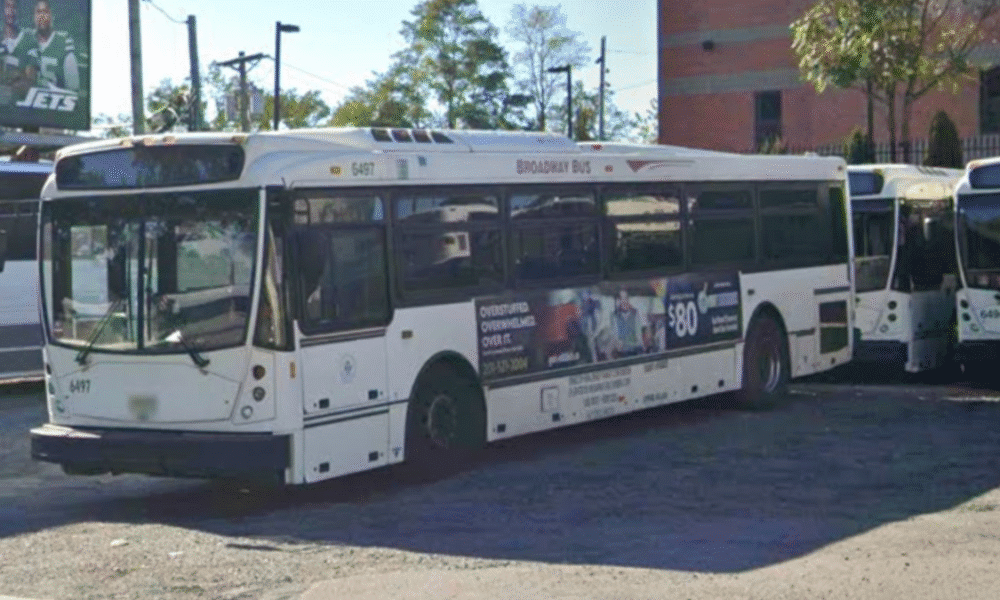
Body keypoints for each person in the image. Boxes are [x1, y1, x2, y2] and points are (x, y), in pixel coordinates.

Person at [29, 0, 78, 91]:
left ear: (52, 16)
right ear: (33, 17)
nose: (42, 17)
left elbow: (73, 89)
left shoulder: (63, 43)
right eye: (38, 12)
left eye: (45, 12)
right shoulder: (27, 41)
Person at [1, 0, 37, 103]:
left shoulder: (29, 40)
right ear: (2, 10)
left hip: (20, 109)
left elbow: (30, 81)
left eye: (14, 7)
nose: (11, 11)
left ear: (19, 11)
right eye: (8, 6)